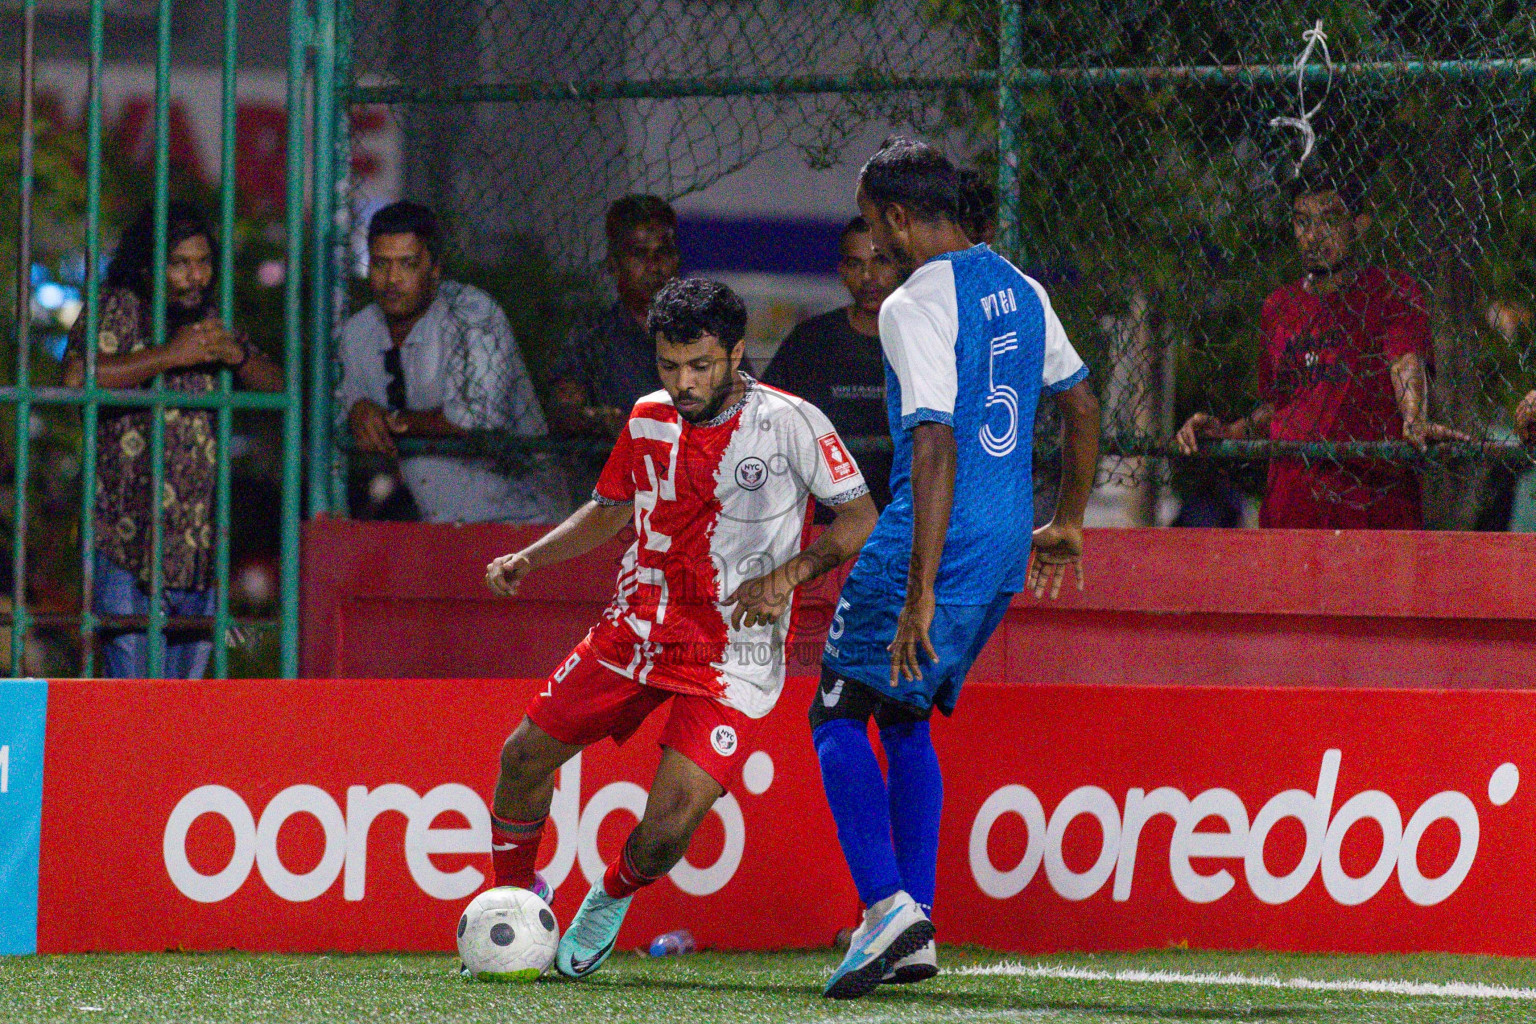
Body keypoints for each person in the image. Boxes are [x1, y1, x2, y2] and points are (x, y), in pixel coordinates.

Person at [480, 278, 878, 980]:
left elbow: (859, 517)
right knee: (520, 758)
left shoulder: (793, 422)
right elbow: (608, 510)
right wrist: (531, 557)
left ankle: (607, 901)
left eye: (699, 365)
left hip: (734, 652)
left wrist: (788, 576)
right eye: (669, 366)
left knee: (666, 831)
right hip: (636, 628)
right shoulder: (646, 417)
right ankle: (509, 903)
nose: (684, 383)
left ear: (735, 352)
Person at [812, 138, 1100, 999]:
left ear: (899, 218)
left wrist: (919, 590)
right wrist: (1070, 522)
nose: (874, 240)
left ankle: (883, 909)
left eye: (873, 222)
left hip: (932, 541)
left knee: (835, 711)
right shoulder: (1020, 285)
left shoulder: (913, 305)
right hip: (1007, 540)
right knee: (901, 721)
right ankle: (917, 923)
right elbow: (1080, 402)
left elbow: (933, 441)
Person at [62, 201, 285, 678]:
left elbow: (281, 389)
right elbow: (76, 377)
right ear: (149, 265)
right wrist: (169, 355)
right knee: (132, 698)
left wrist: (238, 354)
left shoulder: (208, 319)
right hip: (126, 539)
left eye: (203, 262)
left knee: (184, 708)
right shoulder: (119, 305)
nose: (195, 276)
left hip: (197, 546)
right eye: (180, 263)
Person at [1174, 165, 1467, 528]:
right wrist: (1225, 432)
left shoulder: (1391, 292)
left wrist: (1414, 418)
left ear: (1358, 224)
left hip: (1371, 510)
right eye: (1301, 221)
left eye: (1329, 220)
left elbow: (1405, 360)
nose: (1313, 236)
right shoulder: (1279, 307)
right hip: (1291, 509)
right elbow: (1280, 405)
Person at [339, 202, 566, 523]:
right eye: (380, 264)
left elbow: (471, 421)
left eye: (408, 264)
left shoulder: (472, 313)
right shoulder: (358, 332)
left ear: (434, 269)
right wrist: (358, 410)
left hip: (524, 521)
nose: (392, 279)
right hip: (438, 526)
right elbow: (348, 411)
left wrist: (388, 420)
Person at [762, 216, 903, 512]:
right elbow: (765, 424)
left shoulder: (923, 340)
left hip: (903, 521)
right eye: (855, 264)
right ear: (842, 271)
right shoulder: (811, 340)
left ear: (900, 265)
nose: (868, 276)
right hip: (825, 525)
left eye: (880, 262)